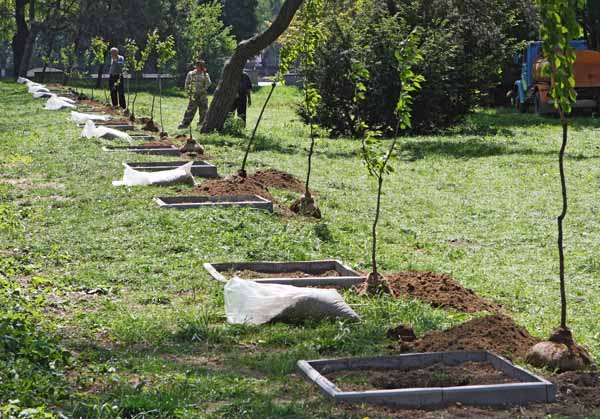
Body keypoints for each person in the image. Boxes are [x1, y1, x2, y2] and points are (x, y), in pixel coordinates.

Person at [178, 60, 211, 129]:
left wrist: (204, 89)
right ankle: (185, 124)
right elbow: (187, 83)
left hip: (202, 96)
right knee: (190, 110)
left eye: (201, 66)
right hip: (193, 95)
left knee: (203, 111)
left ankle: (201, 125)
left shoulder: (205, 74)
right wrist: (188, 92)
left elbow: (209, 83)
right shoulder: (191, 74)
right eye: (198, 66)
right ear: (196, 66)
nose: (199, 67)